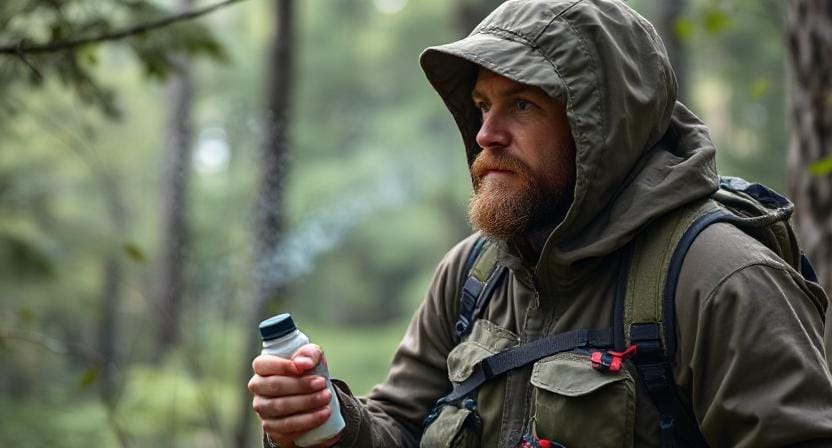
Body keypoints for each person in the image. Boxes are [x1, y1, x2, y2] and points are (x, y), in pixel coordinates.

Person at [248, 0, 832, 446]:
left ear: (599, 126)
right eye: (482, 106)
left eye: (521, 104)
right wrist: (326, 420)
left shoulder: (718, 276)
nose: (486, 135)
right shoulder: (473, 274)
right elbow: (398, 427)